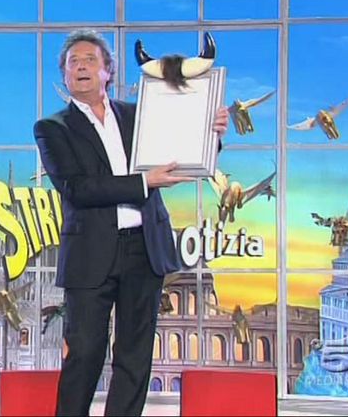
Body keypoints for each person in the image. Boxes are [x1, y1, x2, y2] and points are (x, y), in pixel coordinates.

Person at [34, 29, 228, 416]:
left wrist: (212, 132)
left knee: (135, 357)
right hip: (91, 254)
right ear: (64, 75)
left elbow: (179, 150)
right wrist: (143, 182)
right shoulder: (52, 128)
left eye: (90, 60)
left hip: (145, 248)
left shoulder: (138, 115)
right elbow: (77, 188)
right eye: (73, 62)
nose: (81, 67)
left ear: (108, 70)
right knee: (84, 353)